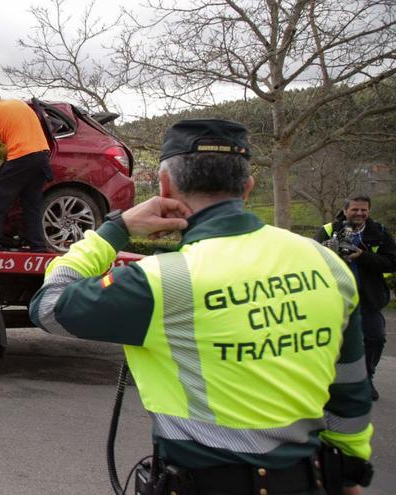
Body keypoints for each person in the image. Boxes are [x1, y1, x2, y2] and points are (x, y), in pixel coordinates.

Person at [30, 119, 373, 494]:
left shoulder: (163, 282)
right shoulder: (328, 265)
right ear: (248, 186)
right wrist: (351, 472)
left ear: (164, 187)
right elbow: (351, 391)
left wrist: (116, 228)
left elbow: (48, 307)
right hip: (310, 481)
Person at [314, 196, 396, 401]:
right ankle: (330, 381)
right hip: (334, 297)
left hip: (368, 298)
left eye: (364, 210)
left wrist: (362, 256)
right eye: (355, 210)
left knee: (375, 338)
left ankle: (366, 379)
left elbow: (392, 262)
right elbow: (311, 260)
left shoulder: (379, 232)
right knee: (330, 342)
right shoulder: (327, 230)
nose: (360, 214)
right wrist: (328, 251)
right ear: (345, 209)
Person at [0, 88, 52, 252]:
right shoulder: (19, 104)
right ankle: (37, 246)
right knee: (32, 204)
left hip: (21, 157)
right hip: (42, 157)